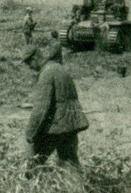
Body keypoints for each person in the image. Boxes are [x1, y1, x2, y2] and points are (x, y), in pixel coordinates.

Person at [22, 42, 88, 174]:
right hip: (71, 124)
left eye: (28, 63)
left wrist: (30, 132)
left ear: (35, 58)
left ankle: (30, 188)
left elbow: (41, 108)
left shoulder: (46, 73)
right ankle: (78, 191)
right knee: (70, 162)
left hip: (58, 126)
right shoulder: (58, 67)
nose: (29, 67)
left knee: (34, 160)